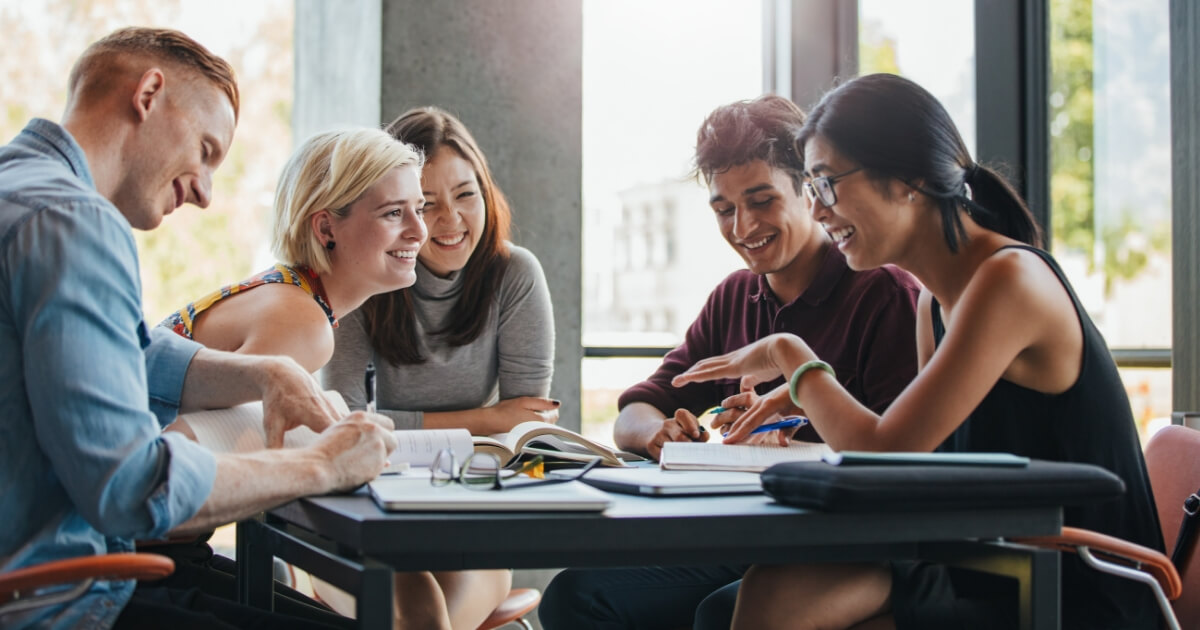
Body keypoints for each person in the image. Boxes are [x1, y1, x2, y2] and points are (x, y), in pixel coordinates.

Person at [671, 74, 1163, 630]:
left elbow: (884, 453)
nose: (819, 210)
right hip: (988, 558)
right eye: (810, 188)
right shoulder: (934, 300)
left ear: (910, 179)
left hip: (1072, 583)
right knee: (759, 595)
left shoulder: (1009, 280)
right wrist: (805, 398)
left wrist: (792, 357)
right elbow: (913, 465)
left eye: (827, 184)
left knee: (769, 602)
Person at [0, 27, 398, 630]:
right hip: (59, 599)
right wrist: (324, 464)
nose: (206, 193)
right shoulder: (75, 221)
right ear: (149, 94)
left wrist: (265, 372)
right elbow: (132, 487)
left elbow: (122, 350)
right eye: (206, 150)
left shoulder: (21, 194)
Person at [539, 94, 922, 630]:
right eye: (724, 209)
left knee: (721, 613)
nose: (742, 227)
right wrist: (659, 434)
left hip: (847, 548)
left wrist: (793, 446)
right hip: (749, 538)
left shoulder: (883, 292)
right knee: (574, 596)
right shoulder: (734, 296)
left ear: (809, 192)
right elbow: (636, 410)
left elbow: (899, 462)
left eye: (761, 201)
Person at [160, 126, 511, 630]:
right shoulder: (302, 323)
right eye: (395, 213)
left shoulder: (290, 296)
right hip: (133, 561)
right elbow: (195, 455)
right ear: (326, 229)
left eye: (419, 207)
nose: (420, 230)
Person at [323, 106, 557, 435]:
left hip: (483, 468)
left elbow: (524, 420)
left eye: (465, 194)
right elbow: (345, 421)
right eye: (426, 204)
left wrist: (500, 421)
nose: (451, 218)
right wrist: (488, 418)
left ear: (486, 194)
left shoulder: (515, 273)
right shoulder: (361, 275)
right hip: (382, 467)